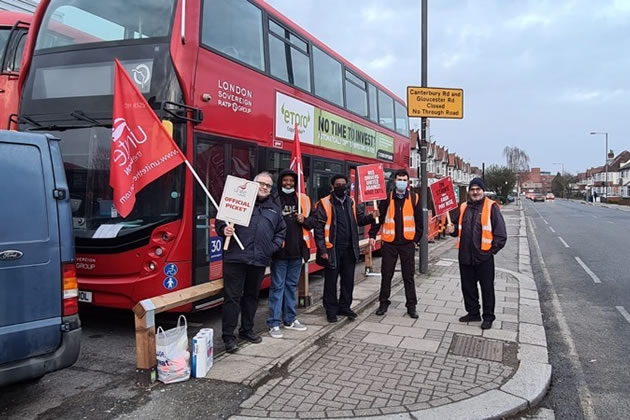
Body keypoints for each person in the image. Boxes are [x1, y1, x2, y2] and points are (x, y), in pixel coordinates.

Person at [217, 171, 286, 353]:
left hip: (259, 259)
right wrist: (224, 229)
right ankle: (229, 337)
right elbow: (221, 221)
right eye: (260, 184)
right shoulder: (238, 201)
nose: (264, 187)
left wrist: (271, 248)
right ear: (253, 184)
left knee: (251, 297)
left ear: (271, 189)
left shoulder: (274, 209)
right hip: (236, 259)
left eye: (268, 185)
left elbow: (281, 232)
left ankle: (246, 330)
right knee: (232, 298)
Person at [313, 174, 379, 323]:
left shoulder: (351, 202)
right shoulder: (324, 203)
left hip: (349, 249)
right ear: (332, 186)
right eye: (338, 185)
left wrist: (371, 216)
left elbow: (360, 220)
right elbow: (319, 229)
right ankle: (331, 310)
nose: (342, 187)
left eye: (344, 184)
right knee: (330, 282)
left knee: (348, 280)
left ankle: (345, 307)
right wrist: (322, 250)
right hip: (332, 249)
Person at [445, 177, 507, 330]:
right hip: (465, 255)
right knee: (468, 287)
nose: (475, 192)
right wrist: (450, 230)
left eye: (478, 189)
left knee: (487, 288)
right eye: (472, 189)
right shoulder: (463, 207)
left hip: (484, 256)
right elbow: (455, 228)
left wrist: (491, 251)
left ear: (482, 191)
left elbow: (500, 234)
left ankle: (488, 317)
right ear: (469, 192)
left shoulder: (491, 207)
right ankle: (473, 312)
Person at [268, 169, 318, 339]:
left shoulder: (303, 199)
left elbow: (313, 222)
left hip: (297, 252)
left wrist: (304, 219)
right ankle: (274, 323)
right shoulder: (273, 199)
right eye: (285, 180)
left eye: (291, 181)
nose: (288, 183)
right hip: (280, 253)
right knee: (277, 288)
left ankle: (290, 319)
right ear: (280, 181)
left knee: (291, 287)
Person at [368, 169, 423, 318]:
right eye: (399, 179)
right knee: (387, 275)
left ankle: (411, 306)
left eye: (405, 180)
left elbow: (419, 223)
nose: (402, 182)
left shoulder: (414, 198)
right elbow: (378, 218)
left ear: (408, 182)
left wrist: (415, 241)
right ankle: (383, 303)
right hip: (389, 243)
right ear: (394, 181)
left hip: (407, 244)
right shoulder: (387, 198)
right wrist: (372, 234)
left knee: (408, 276)